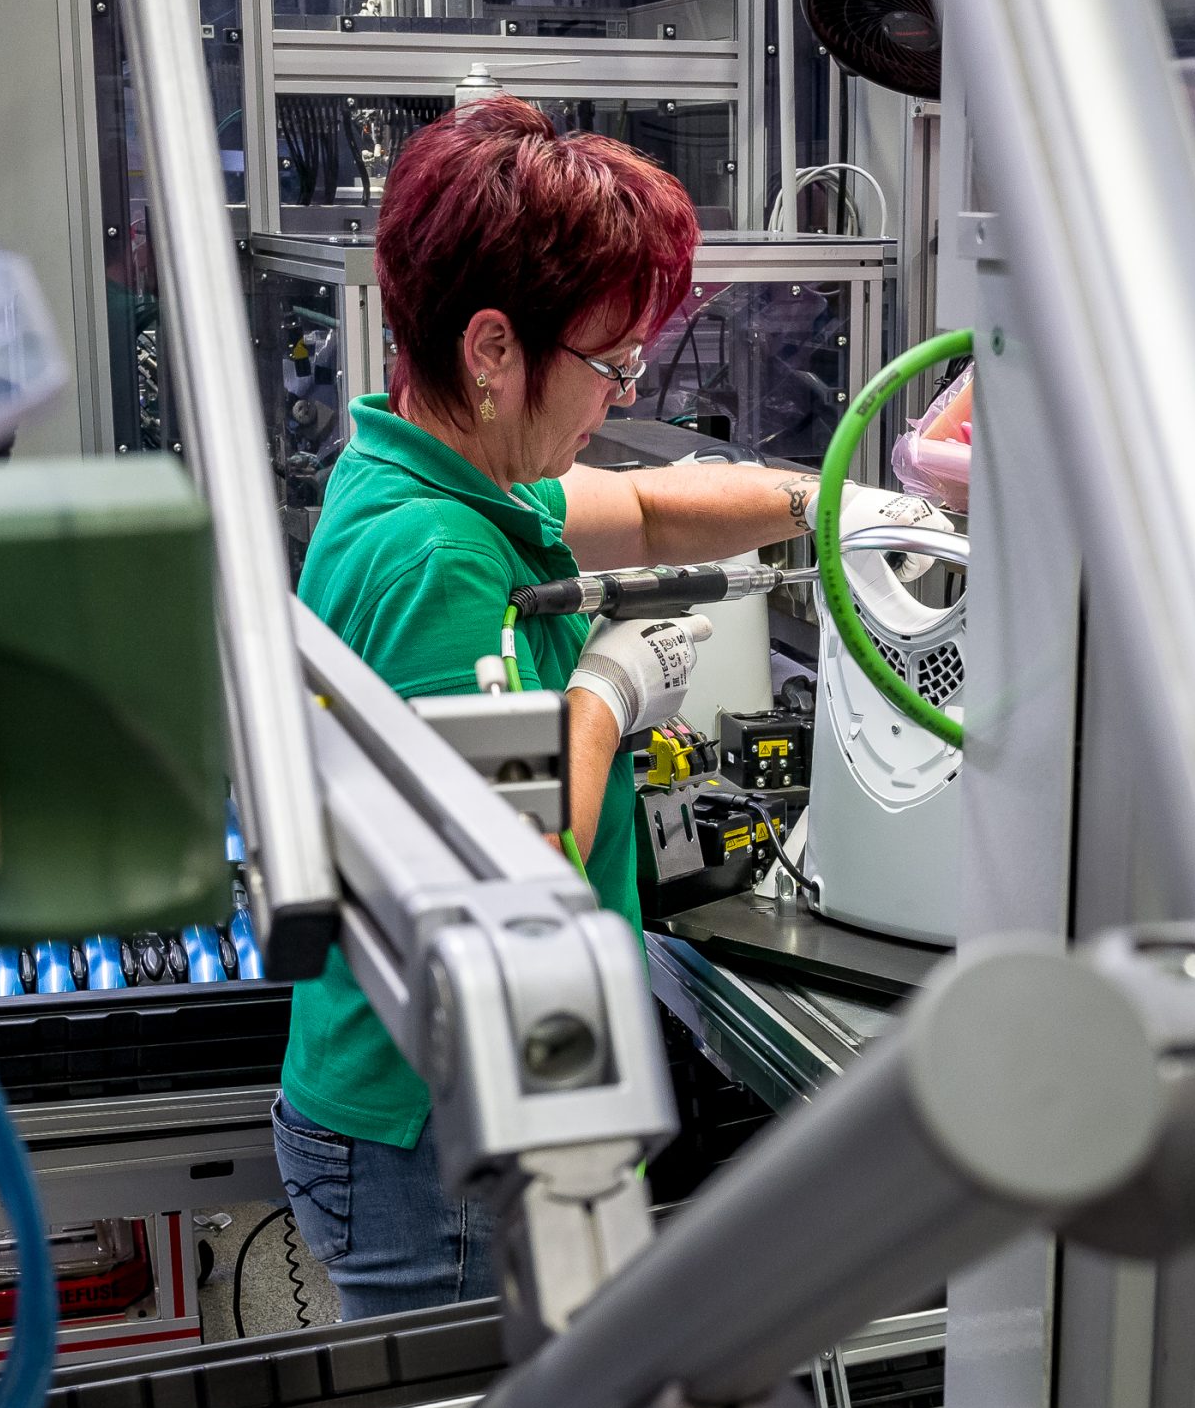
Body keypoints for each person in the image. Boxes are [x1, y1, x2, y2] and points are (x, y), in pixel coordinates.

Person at [273, 93, 925, 1322]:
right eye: (609, 362)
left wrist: (836, 507)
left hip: (443, 1100)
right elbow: (512, 865)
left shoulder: (427, 464)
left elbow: (654, 506)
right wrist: (613, 689)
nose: (619, 397)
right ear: (491, 349)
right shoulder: (439, 557)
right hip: (439, 1135)